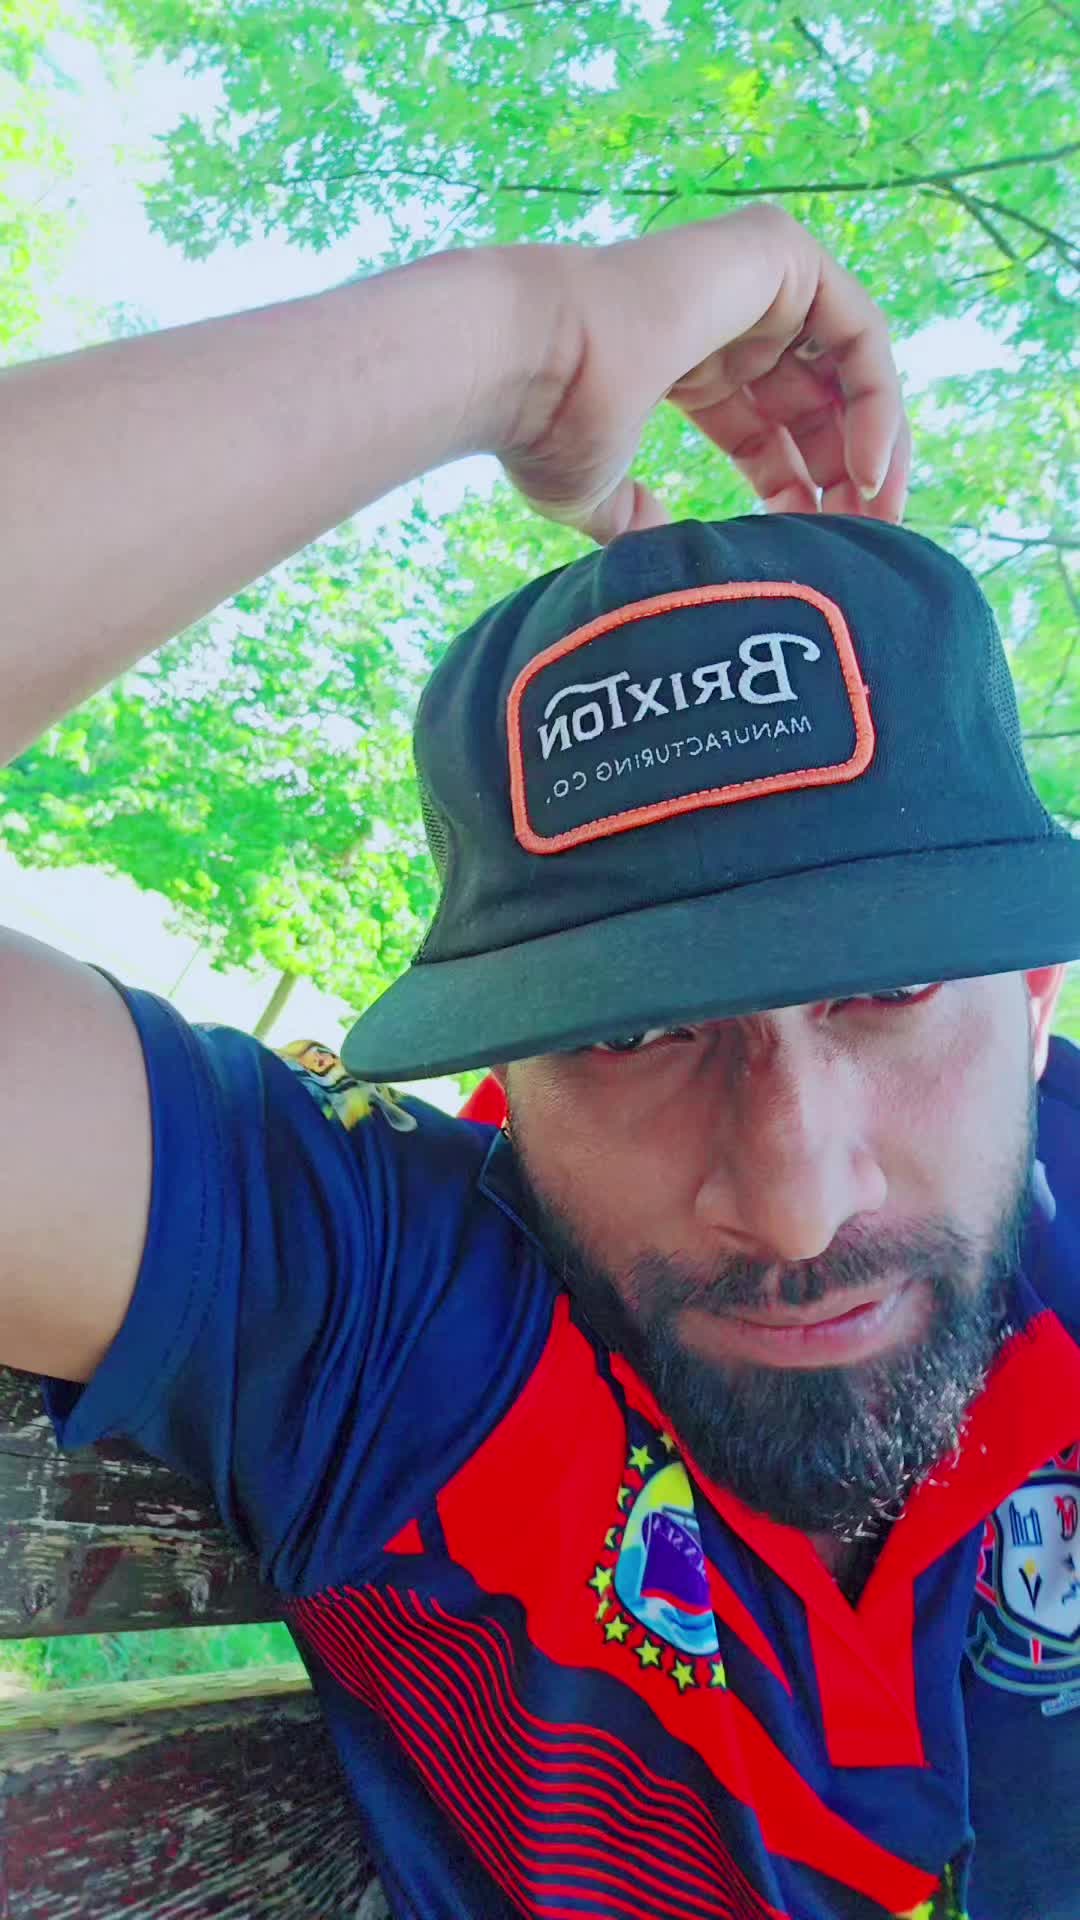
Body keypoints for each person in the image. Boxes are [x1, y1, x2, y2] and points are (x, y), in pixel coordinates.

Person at [1, 204, 1077, 1920]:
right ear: (514, 1074)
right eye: (634, 1032)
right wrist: (534, 338)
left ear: (1031, 998)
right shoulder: (397, 1322)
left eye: (885, 992)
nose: (796, 1200)